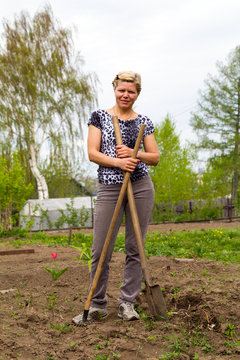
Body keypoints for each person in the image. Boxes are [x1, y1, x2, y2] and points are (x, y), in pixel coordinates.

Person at [72, 71, 159, 324]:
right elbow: (92, 153)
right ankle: (97, 304)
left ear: (137, 94)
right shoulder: (100, 117)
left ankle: (127, 303)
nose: (126, 95)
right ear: (115, 89)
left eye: (131, 91)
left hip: (140, 186)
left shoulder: (144, 121)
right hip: (110, 187)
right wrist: (118, 162)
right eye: (122, 90)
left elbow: (155, 157)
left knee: (135, 247)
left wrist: (136, 155)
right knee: (101, 248)